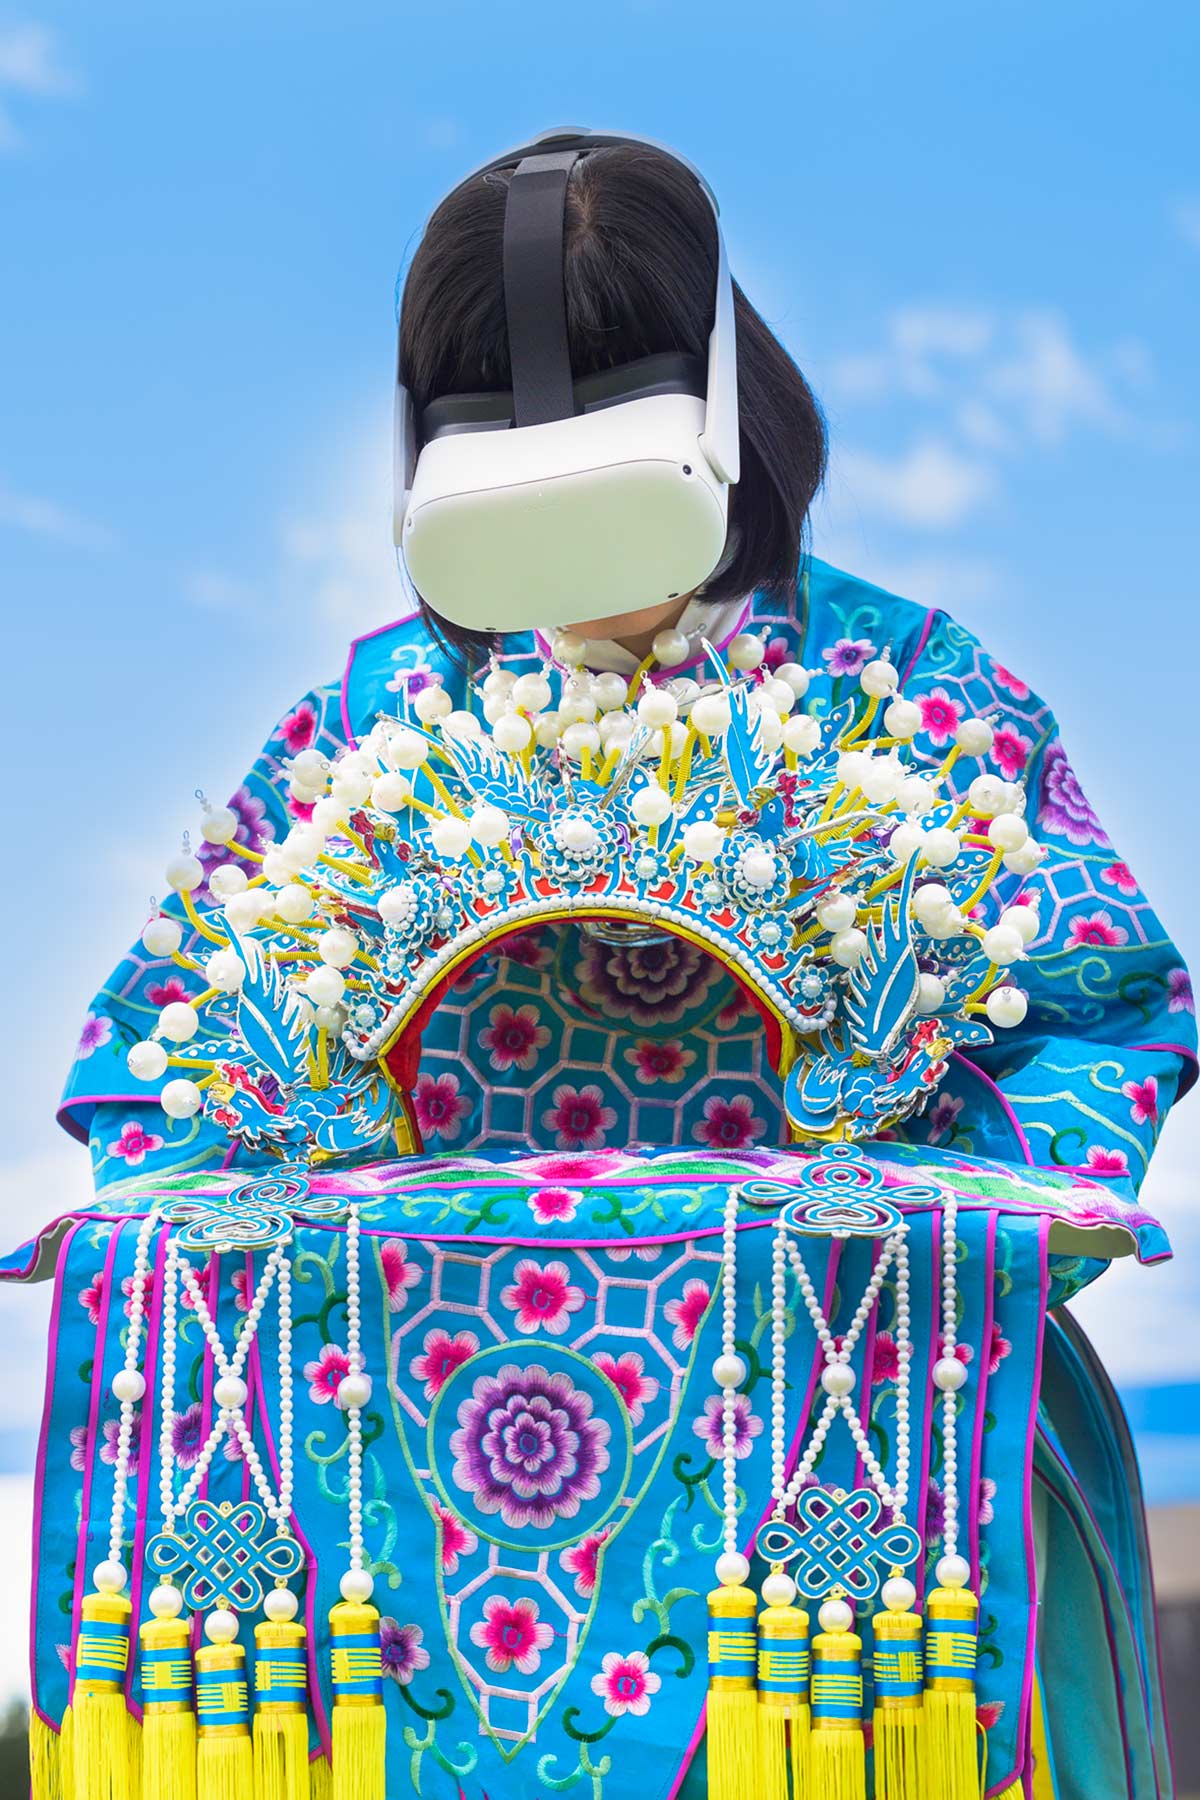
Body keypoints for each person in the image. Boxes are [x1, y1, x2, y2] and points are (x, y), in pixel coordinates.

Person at [41, 140, 1196, 1798]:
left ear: (724, 416)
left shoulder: (922, 694)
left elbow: (1103, 1013)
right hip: (421, 1528)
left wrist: (935, 1217)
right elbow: (157, 1065)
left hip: (863, 1517)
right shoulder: (364, 731)